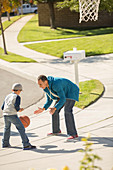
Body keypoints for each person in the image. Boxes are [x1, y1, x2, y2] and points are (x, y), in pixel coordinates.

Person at [34, 75, 79, 140]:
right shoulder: (46, 88)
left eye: (40, 84)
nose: (40, 86)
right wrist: (43, 108)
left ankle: (73, 134)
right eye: (39, 85)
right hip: (62, 94)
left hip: (71, 91)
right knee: (54, 111)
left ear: (46, 81)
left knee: (67, 111)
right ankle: (56, 130)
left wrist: (55, 108)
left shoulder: (56, 84)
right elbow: (49, 100)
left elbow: (63, 99)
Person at [1, 83, 36, 150]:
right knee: (21, 128)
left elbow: (2, 107)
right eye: (20, 91)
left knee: (6, 128)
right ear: (19, 90)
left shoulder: (7, 96)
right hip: (12, 115)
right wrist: (20, 110)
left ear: (12, 90)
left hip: (5, 114)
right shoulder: (17, 97)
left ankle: (5, 143)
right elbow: (16, 107)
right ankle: (26, 144)